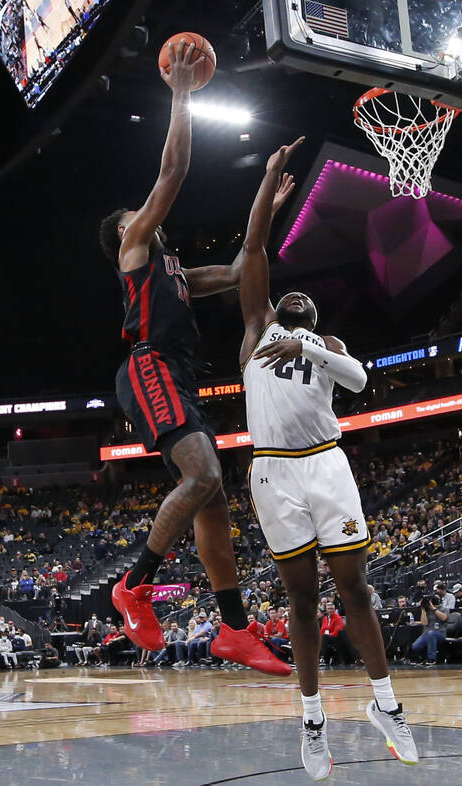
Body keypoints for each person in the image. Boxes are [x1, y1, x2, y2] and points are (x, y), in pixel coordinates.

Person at [99, 39, 286, 678]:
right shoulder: (135, 250)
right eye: (136, 216)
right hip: (147, 365)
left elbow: (239, 271)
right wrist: (180, 92)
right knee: (203, 475)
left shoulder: (176, 269)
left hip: (179, 375)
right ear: (126, 233)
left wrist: (264, 201)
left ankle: (234, 629)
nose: (144, 216)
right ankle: (134, 584)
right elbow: (173, 173)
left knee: (214, 501)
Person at [237, 138, 417, 779]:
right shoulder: (256, 331)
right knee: (303, 599)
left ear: (314, 317)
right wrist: (267, 186)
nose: (296, 300)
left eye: (304, 305)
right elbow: (255, 251)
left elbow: (362, 382)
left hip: (326, 462)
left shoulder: (327, 344)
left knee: (356, 588)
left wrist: (313, 347)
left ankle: (386, 705)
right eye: (289, 301)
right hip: (272, 471)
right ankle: (311, 721)